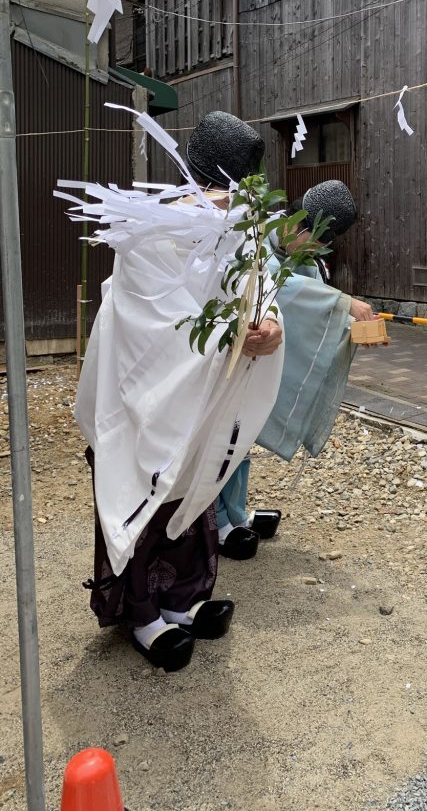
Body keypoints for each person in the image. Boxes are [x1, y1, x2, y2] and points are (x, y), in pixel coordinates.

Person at [65, 108, 286, 672]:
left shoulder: (244, 231)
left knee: (192, 489)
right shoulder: (152, 229)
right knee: (144, 483)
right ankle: (142, 614)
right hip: (139, 392)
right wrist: (227, 337)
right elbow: (149, 320)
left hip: (202, 392)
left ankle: (183, 599)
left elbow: (259, 295)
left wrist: (267, 329)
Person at [216, 179, 376, 558]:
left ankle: (236, 513)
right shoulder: (253, 243)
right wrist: (343, 302)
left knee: (246, 435)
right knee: (225, 436)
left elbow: (315, 312)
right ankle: (216, 522)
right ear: (298, 224)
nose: (317, 252)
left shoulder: (303, 258)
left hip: (264, 362)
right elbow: (279, 290)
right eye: (317, 242)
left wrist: (351, 325)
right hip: (234, 357)